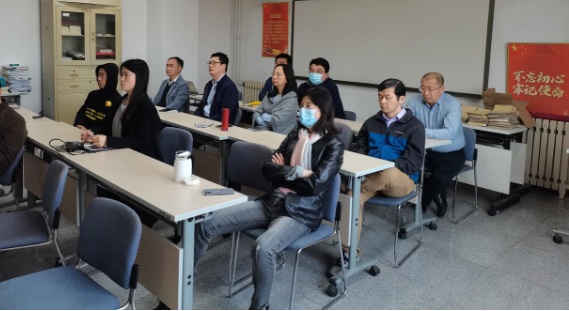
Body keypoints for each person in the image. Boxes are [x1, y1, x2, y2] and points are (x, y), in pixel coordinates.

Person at [194, 87, 344, 310]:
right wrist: (299, 171)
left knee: (262, 247)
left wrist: (284, 171)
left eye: (309, 107)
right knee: (205, 223)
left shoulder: (334, 145)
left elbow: (315, 186)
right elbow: (267, 168)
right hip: (270, 201)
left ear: (323, 110)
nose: (302, 111)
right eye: (301, 106)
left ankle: (260, 306)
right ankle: (186, 278)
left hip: (300, 212)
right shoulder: (295, 134)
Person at [342, 79, 425, 261]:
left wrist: (381, 167)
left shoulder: (415, 127)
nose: (383, 101)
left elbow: (413, 163)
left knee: (387, 172)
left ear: (401, 99)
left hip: (401, 180)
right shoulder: (371, 122)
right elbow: (359, 151)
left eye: (388, 97)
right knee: (351, 198)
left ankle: (348, 184)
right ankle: (349, 254)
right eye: (380, 97)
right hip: (371, 179)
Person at [407, 72, 466, 218]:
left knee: (440, 178)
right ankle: (436, 191)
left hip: (451, 152)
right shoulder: (414, 100)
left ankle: (424, 201)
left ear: (441, 89)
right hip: (424, 150)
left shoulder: (452, 103)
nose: (425, 93)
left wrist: (420, 131)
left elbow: (449, 133)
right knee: (404, 165)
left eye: (430, 88)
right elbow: (406, 123)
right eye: (422, 88)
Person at [82, 59, 162, 161]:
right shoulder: (122, 101)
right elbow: (108, 126)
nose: (122, 79)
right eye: (121, 75)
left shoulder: (146, 108)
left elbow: (140, 141)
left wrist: (108, 141)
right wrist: (92, 133)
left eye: (126, 75)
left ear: (139, 77)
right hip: (120, 154)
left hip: (141, 159)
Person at [74, 63, 121, 131]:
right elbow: (82, 112)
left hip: (96, 135)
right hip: (82, 131)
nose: (99, 79)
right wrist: (79, 125)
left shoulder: (117, 101)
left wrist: (91, 132)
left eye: (102, 75)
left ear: (111, 77)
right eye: (98, 75)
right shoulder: (92, 94)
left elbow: (109, 127)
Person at [253, 64, 298, 135]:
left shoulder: (291, 99)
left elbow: (279, 120)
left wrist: (263, 116)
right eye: (273, 74)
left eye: (278, 74)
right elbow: (257, 112)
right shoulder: (270, 95)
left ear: (287, 79)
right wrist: (262, 122)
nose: (274, 77)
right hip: (261, 130)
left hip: (280, 135)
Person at [195, 52, 239, 125]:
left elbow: (224, 115)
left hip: (216, 125)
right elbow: (201, 107)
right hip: (204, 121)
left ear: (223, 66)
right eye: (209, 63)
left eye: (214, 63)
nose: (210, 65)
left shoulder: (229, 87)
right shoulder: (209, 84)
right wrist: (195, 118)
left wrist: (206, 122)